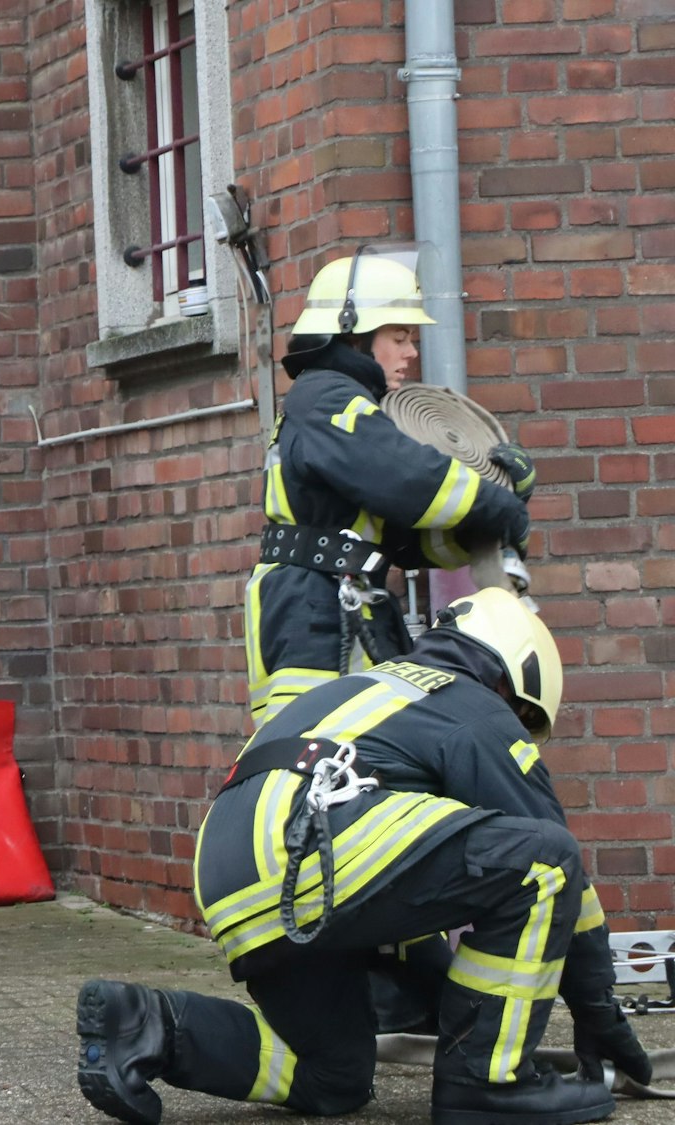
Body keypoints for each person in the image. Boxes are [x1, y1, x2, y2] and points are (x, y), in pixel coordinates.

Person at [77, 588, 651, 1125]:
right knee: (544, 860)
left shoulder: (366, 690)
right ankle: (488, 1085)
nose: (519, 733)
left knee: (333, 1078)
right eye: (523, 718)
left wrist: (440, 990)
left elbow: (414, 881)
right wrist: (599, 1011)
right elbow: (559, 867)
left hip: (234, 879)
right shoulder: (470, 701)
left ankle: (152, 1025)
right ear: (509, 678)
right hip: (316, 851)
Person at [246, 246, 539, 729]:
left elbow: (408, 540)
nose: (411, 353)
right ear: (355, 336)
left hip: (339, 598)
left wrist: (505, 499)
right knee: (316, 757)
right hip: (312, 611)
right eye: (399, 337)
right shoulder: (326, 397)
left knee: (363, 751)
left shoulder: (339, 404)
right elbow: (409, 478)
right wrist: (496, 503)